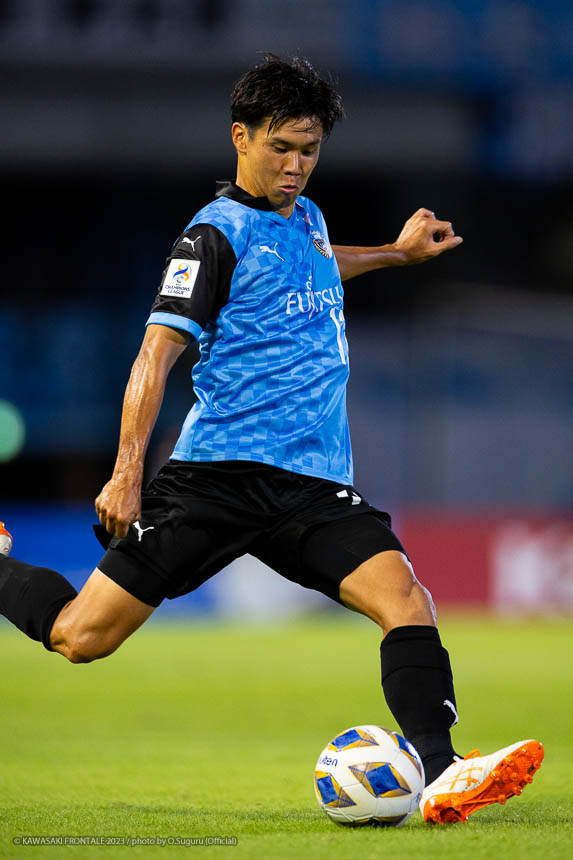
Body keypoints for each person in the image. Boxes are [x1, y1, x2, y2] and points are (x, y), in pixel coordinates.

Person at [0, 54, 542, 824]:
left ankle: (442, 768)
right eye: (280, 147)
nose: (295, 166)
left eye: (308, 150)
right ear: (240, 137)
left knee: (406, 600)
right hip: (214, 480)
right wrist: (125, 472)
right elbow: (155, 354)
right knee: (80, 636)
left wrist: (394, 253)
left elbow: (314, 269)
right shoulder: (210, 237)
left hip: (313, 487)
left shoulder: (308, 219)